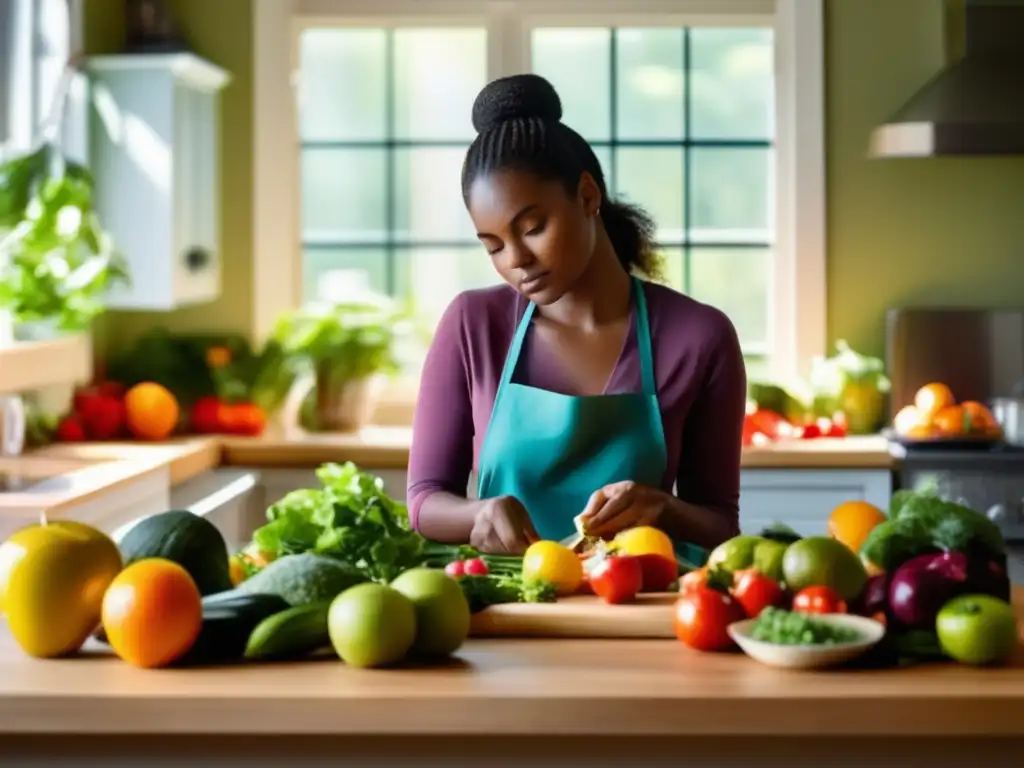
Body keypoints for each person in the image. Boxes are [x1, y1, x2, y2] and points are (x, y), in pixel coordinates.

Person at [406, 74, 746, 561]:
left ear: (588, 197)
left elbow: (719, 522)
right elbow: (424, 499)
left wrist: (662, 508)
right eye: (495, 246)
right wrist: (477, 514)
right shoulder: (472, 326)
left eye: (532, 228)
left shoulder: (699, 337)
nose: (516, 260)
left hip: (640, 608)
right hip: (507, 610)